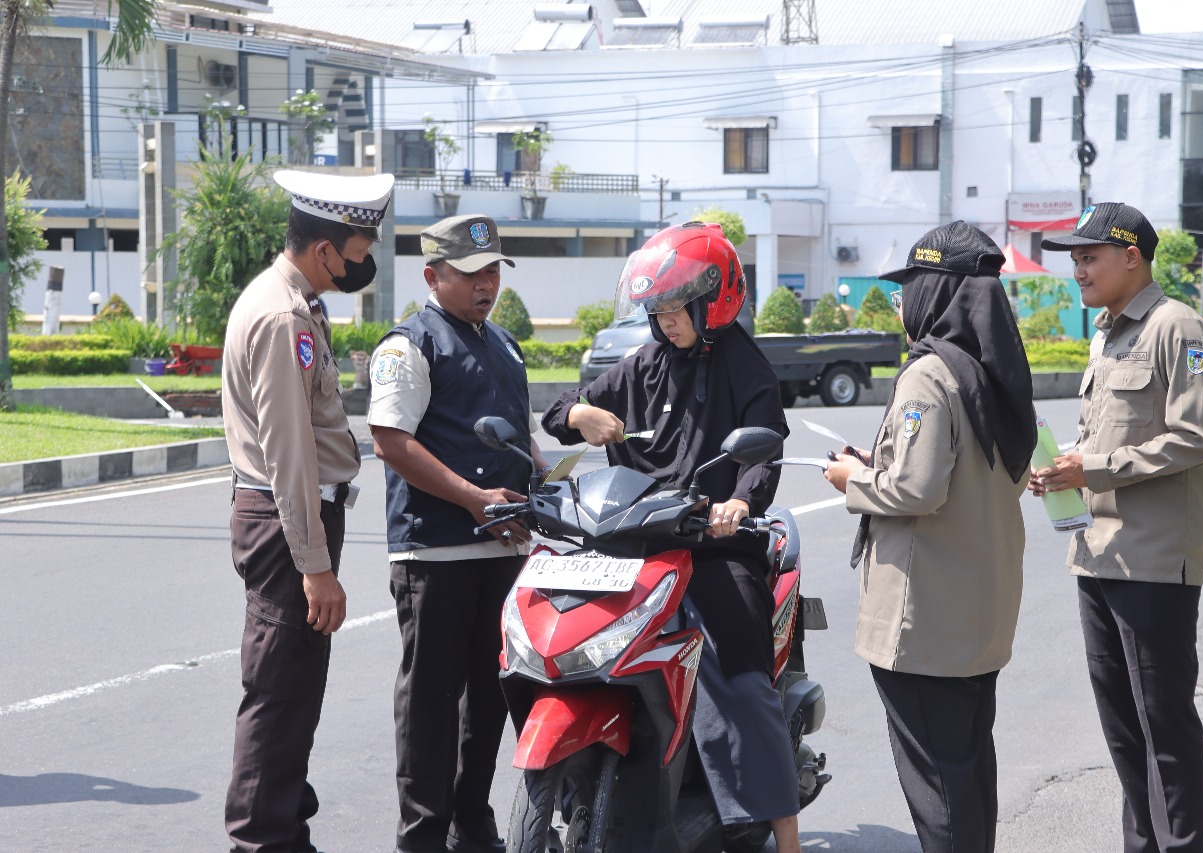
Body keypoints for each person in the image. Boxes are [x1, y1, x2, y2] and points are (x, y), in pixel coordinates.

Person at [541, 221, 802, 853]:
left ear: (714, 299)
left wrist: (739, 503)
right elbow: (559, 413)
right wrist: (578, 413)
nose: (665, 320)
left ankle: (786, 835)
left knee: (741, 680)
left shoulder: (746, 365)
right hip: (633, 543)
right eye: (655, 309)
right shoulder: (642, 365)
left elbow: (763, 451)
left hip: (713, 547)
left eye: (674, 307)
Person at [822, 220, 1037, 853]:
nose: (901, 302)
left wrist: (852, 477)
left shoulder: (930, 374)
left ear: (936, 293)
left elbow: (916, 491)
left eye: (908, 287)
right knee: (968, 774)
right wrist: (879, 464)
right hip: (978, 612)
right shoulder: (994, 371)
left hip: (925, 622)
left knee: (938, 787)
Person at [1031, 202, 1203, 853]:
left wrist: (1095, 467)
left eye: (1089, 256)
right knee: (1122, 731)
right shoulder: (1107, 332)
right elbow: (1102, 436)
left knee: (1163, 725)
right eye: (1075, 259)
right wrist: (1063, 472)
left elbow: (1198, 437)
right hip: (1097, 554)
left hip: (1153, 563)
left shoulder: (1181, 329)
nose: (1078, 269)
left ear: (1132, 256)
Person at [222, 169, 393, 853]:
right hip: (288, 522)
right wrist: (316, 566)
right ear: (326, 249)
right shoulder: (282, 315)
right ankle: (262, 839)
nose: (363, 262)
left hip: (289, 517)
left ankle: (284, 828)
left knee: (294, 691)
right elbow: (290, 454)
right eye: (359, 247)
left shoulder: (296, 303)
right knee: (279, 692)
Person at [367, 214, 550, 853]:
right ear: (432, 276)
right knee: (431, 702)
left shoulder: (502, 342)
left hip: (504, 550)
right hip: (436, 551)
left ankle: (472, 822)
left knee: (492, 695)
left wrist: (544, 472)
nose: (486, 284)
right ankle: (422, 834)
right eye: (471, 273)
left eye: (494, 271)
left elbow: (518, 432)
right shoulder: (409, 345)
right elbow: (391, 441)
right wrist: (474, 499)